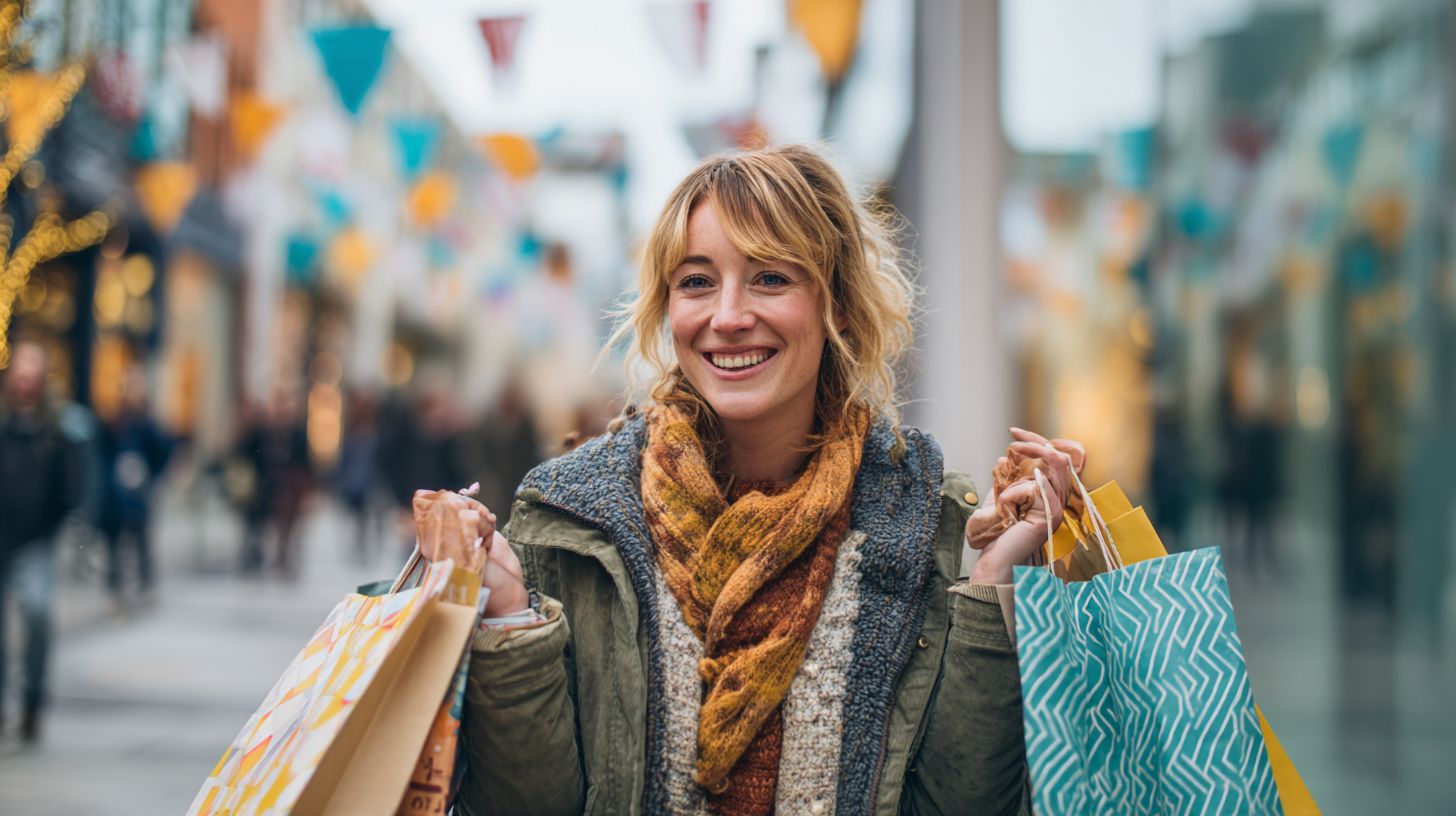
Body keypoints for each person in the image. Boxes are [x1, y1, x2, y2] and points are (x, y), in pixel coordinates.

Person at [417, 145, 1082, 815]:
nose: (728, 316)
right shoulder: (570, 518)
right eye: (698, 281)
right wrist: (507, 618)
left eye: (769, 278)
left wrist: (995, 579)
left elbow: (957, 803)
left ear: (838, 304)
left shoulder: (916, 514)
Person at [0, 340, 86, 743]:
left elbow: (73, 483)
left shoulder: (58, 427)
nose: (24, 379)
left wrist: (63, 521)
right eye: (19, 370)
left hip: (37, 539)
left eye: (31, 370)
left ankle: (33, 699)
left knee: (35, 612)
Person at [97, 365, 171, 602]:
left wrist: (151, 476)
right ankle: (116, 587)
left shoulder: (147, 423)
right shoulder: (115, 420)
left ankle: (144, 583)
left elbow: (161, 452)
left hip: (139, 492)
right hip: (115, 492)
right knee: (114, 542)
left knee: (140, 538)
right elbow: (103, 452)